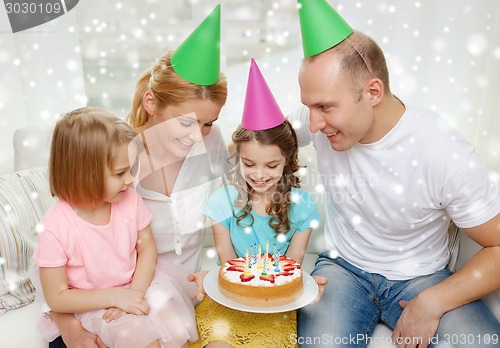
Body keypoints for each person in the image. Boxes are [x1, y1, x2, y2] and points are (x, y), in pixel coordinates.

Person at [292, 1, 500, 347]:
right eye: (308, 106)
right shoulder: (318, 120)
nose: (312, 124)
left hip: (421, 278)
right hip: (342, 269)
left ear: (372, 92)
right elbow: (258, 137)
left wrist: (434, 301)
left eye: (325, 107)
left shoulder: (441, 151)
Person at [44, 5, 229, 348]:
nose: (198, 135)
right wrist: (71, 330)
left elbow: (229, 213)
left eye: (208, 123)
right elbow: (62, 248)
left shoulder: (212, 143)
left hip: (176, 292)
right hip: (117, 299)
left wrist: (221, 272)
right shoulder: (112, 157)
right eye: (187, 122)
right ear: (151, 103)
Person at [194, 59, 320, 348]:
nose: (259, 175)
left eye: (271, 165)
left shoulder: (303, 207)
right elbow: (228, 265)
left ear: (288, 160)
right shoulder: (221, 203)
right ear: (238, 158)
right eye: (249, 163)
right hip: (226, 301)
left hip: (275, 306)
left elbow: (293, 266)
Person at [33, 107, 177, 348]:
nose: (130, 180)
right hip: (88, 303)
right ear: (84, 175)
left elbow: (148, 251)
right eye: (120, 173)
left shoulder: (131, 200)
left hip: (134, 285)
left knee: (173, 322)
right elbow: (57, 298)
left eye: (129, 170)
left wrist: (135, 294)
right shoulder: (54, 228)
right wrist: (116, 297)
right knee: (136, 334)